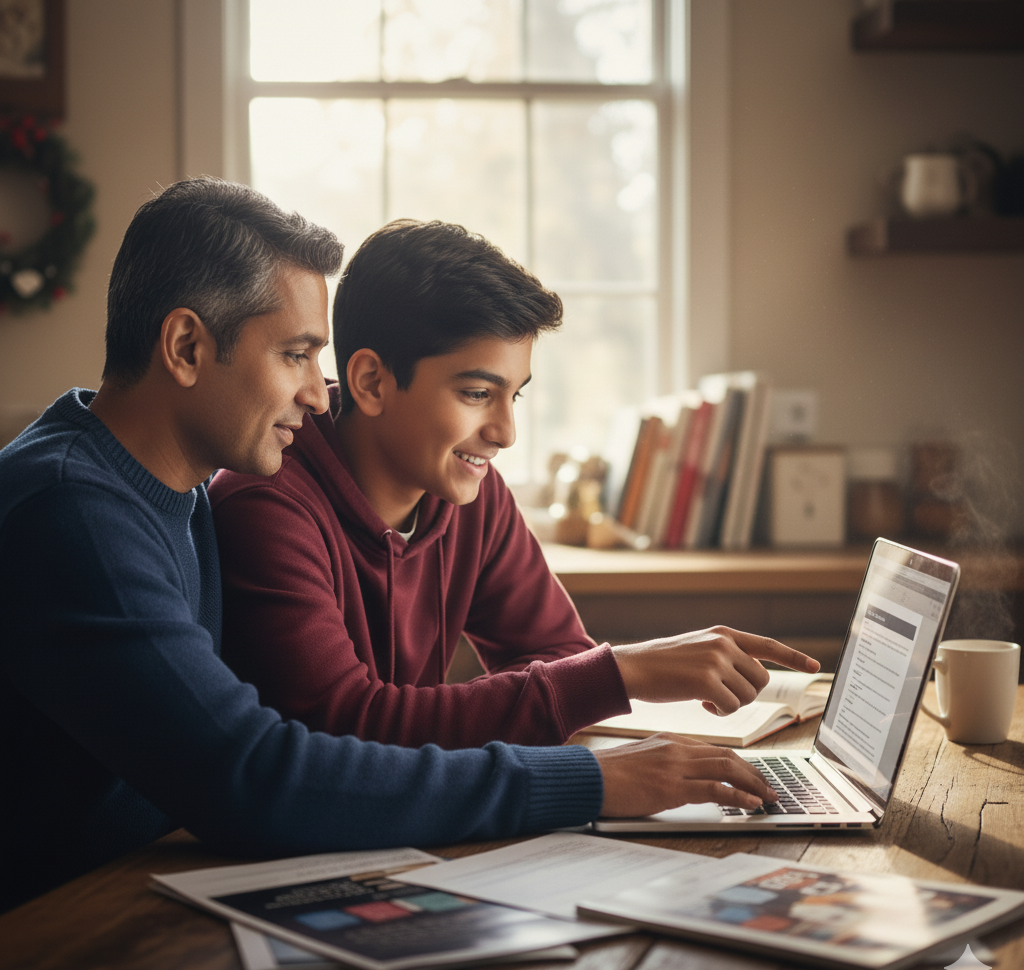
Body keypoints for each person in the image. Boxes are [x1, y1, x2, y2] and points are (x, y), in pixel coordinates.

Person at [0, 178, 793, 915]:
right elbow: (253, 776)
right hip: (53, 929)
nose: (319, 393)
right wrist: (584, 780)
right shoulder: (73, 510)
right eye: (296, 355)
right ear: (185, 347)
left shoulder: (172, 490)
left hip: (145, 885)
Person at [209, 219, 819, 750]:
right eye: (477, 394)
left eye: (514, 395)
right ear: (370, 382)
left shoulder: (468, 490)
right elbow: (345, 726)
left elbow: (555, 659)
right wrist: (618, 673)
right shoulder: (265, 503)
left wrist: (584, 683)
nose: (504, 433)